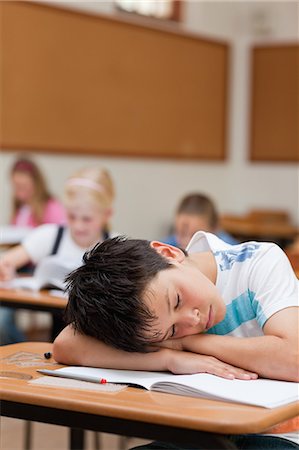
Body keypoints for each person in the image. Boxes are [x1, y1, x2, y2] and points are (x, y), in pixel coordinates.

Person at [53, 232, 298, 450]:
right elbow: (66, 344)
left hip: (286, 433)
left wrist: (189, 344)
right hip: (205, 431)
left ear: (169, 253)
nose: (192, 321)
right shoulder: (155, 317)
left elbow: (294, 357)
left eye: (177, 300)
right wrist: (168, 357)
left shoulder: (257, 261)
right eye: (172, 331)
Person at [0, 166, 117, 344]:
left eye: (86, 219)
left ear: (107, 214)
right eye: (71, 217)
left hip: (101, 341)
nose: (78, 226)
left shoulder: (115, 246)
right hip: (56, 340)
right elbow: (7, 261)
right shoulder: (52, 235)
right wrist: (6, 269)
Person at [164, 193, 237, 249]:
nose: (186, 243)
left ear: (215, 228)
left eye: (195, 236)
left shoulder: (231, 251)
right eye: (181, 234)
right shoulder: (169, 245)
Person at [10, 156, 66, 227]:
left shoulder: (51, 207)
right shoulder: (20, 210)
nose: (19, 192)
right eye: (17, 186)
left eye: (23, 186)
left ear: (36, 182)